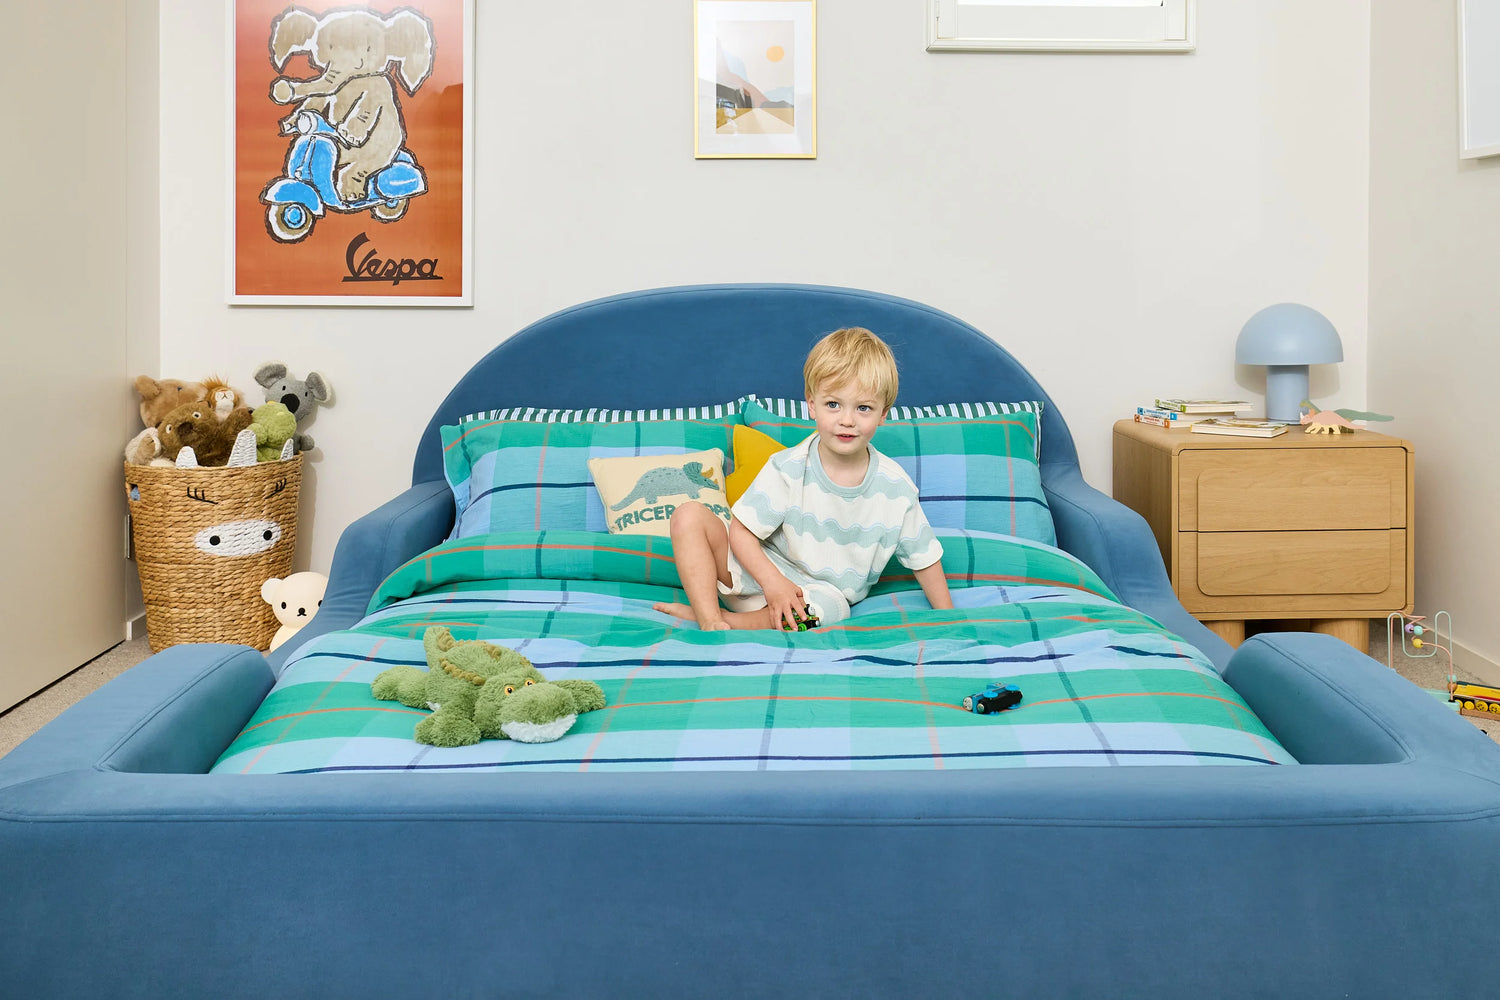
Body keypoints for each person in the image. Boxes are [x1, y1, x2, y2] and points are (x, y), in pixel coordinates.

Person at [653, 327, 954, 631]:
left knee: (834, 608)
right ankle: (709, 619)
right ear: (812, 405)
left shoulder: (896, 487)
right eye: (833, 404)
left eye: (863, 408)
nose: (847, 420)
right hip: (756, 574)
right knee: (688, 515)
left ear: (883, 414)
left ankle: (728, 621)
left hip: (815, 598)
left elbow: (924, 557)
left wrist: (949, 618)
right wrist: (773, 582)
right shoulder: (789, 467)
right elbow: (741, 532)